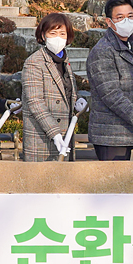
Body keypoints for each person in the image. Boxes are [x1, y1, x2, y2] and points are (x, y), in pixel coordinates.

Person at [86, 0, 133, 161]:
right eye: (120, 17)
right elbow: (111, 94)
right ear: (109, 22)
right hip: (112, 136)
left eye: (130, 16)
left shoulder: (130, 45)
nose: (126, 21)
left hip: (130, 131)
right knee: (115, 186)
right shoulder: (103, 51)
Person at [21, 14, 81, 162]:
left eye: (62, 34)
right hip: (42, 140)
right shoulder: (34, 62)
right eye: (52, 33)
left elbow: (65, 92)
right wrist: (55, 133)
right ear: (43, 35)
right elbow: (35, 102)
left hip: (65, 136)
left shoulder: (64, 61)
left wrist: (78, 101)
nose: (58, 38)